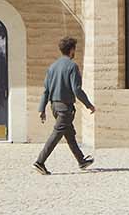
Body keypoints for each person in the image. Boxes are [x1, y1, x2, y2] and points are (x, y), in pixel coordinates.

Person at [34, 35, 95, 174]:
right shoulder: (72, 66)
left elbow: (46, 90)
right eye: (75, 49)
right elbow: (77, 89)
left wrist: (41, 109)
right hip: (65, 108)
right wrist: (89, 105)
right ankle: (39, 162)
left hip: (54, 106)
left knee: (69, 133)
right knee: (56, 134)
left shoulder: (52, 67)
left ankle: (81, 161)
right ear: (72, 50)